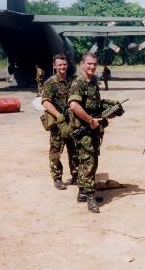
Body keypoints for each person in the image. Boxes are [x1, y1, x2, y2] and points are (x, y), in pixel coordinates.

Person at [68, 53, 117, 213]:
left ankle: (82, 192)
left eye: (94, 64)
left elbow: (95, 105)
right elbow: (74, 106)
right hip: (84, 130)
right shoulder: (78, 83)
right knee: (89, 162)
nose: (92, 67)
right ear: (82, 64)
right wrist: (90, 120)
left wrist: (110, 109)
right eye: (89, 64)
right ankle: (90, 196)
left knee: (85, 161)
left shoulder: (93, 82)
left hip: (93, 129)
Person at [41, 54, 78, 190]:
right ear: (54, 66)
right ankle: (57, 178)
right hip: (58, 123)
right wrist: (58, 115)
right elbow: (45, 102)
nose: (62, 67)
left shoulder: (72, 81)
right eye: (60, 64)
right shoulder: (50, 82)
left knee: (74, 150)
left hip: (72, 122)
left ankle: (75, 176)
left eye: (64, 64)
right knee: (56, 151)